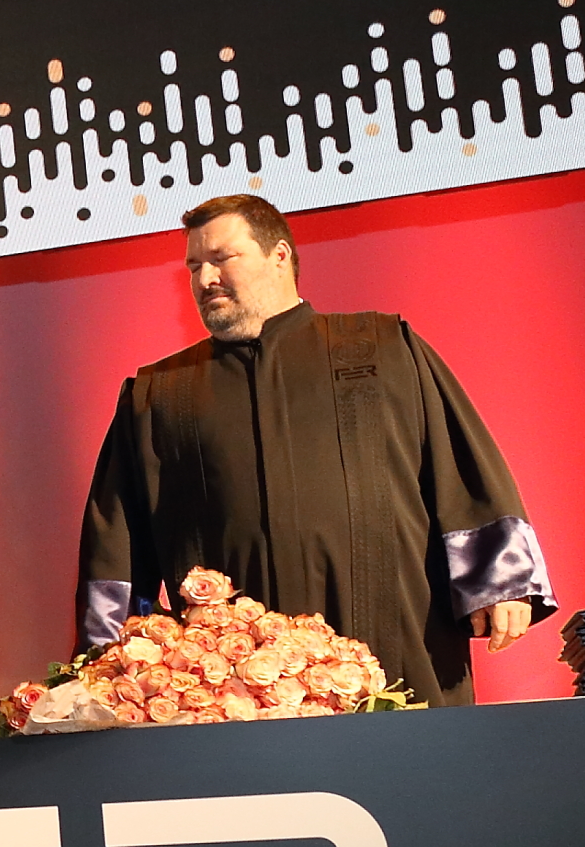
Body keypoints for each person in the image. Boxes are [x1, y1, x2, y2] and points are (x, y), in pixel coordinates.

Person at [77, 194, 553, 703]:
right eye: (194, 266)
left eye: (221, 259)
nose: (205, 279)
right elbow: (118, 539)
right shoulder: (161, 394)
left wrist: (500, 580)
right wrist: (105, 662)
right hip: (233, 688)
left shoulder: (382, 347)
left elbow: (456, 462)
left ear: (279, 255)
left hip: (398, 649)